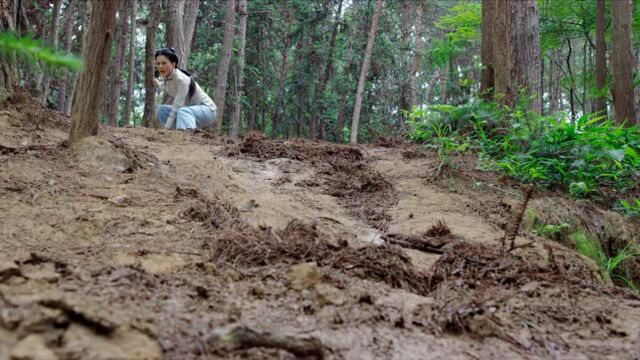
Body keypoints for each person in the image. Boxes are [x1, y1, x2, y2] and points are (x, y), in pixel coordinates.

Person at [154, 48, 217, 130]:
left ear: (173, 64)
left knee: (182, 111)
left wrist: (165, 128)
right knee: (161, 110)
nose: (160, 66)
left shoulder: (182, 80)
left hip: (208, 110)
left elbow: (177, 106)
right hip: (189, 110)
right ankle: (174, 135)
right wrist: (158, 84)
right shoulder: (169, 78)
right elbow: (168, 87)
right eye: (158, 64)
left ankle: (187, 137)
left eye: (164, 63)